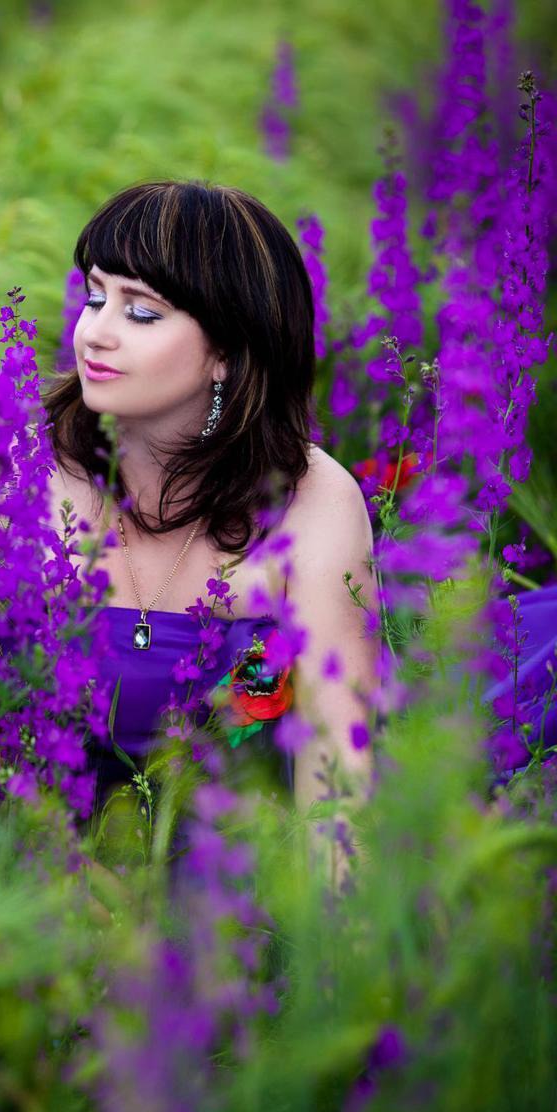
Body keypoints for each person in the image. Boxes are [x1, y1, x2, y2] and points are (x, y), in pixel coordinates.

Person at [40, 179, 378, 828]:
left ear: (226, 351)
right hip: (35, 863)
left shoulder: (310, 500)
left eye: (141, 313)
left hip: (236, 861)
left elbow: (338, 771)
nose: (94, 334)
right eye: (95, 297)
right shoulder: (29, 474)